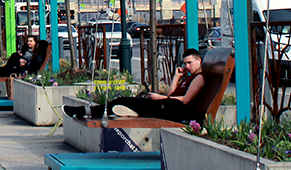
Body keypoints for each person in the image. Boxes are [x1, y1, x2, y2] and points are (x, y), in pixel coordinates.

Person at [74, 48, 206, 124]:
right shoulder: (189, 77)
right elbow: (171, 96)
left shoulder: (199, 78)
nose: (187, 67)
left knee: (122, 101)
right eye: (185, 63)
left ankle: (87, 111)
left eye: (190, 63)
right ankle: (89, 111)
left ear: (198, 60)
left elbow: (186, 100)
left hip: (174, 111)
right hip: (168, 106)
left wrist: (159, 98)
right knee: (126, 100)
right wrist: (176, 77)